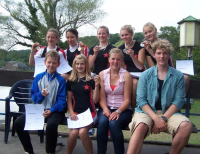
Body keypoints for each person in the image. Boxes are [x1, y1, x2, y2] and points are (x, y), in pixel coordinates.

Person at [127, 39, 192, 154]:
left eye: (165, 53)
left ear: (169, 55)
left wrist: (163, 118)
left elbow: (178, 101)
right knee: (141, 126)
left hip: (168, 113)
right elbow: (141, 101)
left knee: (186, 126)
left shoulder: (178, 76)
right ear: (154, 55)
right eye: (158, 53)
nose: (162, 56)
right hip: (147, 112)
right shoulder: (145, 75)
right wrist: (156, 119)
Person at [15, 50, 66, 154]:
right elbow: (34, 97)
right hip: (39, 109)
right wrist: (41, 95)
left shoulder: (60, 80)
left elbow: (61, 102)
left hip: (55, 110)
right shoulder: (38, 77)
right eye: (49, 62)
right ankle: (28, 151)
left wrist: (51, 110)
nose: (51, 65)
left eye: (54, 63)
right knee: (18, 123)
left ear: (58, 64)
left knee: (51, 125)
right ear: (45, 62)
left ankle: (50, 151)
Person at [97, 48, 133, 154]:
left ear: (122, 61)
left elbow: (127, 100)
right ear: (109, 59)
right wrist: (105, 109)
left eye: (118, 59)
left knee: (113, 124)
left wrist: (118, 111)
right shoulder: (102, 74)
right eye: (113, 59)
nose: (115, 62)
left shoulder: (126, 75)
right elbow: (102, 98)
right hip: (107, 107)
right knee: (102, 122)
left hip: (123, 109)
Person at [66, 54, 100, 154]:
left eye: (82, 64)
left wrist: (97, 86)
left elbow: (96, 100)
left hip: (90, 113)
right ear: (74, 65)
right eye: (77, 64)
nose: (79, 66)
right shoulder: (70, 81)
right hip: (76, 112)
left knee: (82, 133)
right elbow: (69, 100)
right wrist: (71, 113)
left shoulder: (91, 80)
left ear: (86, 65)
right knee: (73, 134)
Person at [142, 22, 189, 93]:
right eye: (146, 33)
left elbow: (163, 58)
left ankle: (181, 99)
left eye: (150, 31)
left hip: (169, 69)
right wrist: (147, 49)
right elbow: (152, 66)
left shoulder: (165, 43)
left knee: (185, 78)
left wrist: (149, 50)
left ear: (155, 30)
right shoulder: (146, 47)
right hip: (157, 71)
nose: (148, 34)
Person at [118, 25, 145, 108]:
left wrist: (133, 56)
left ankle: (134, 109)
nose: (124, 37)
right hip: (127, 73)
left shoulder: (140, 46)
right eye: (122, 35)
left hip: (139, 73)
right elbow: (120, 66)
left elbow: (140, 66)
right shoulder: (121, 48)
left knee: (134, 83)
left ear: (132, 34)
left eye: (127, 34)